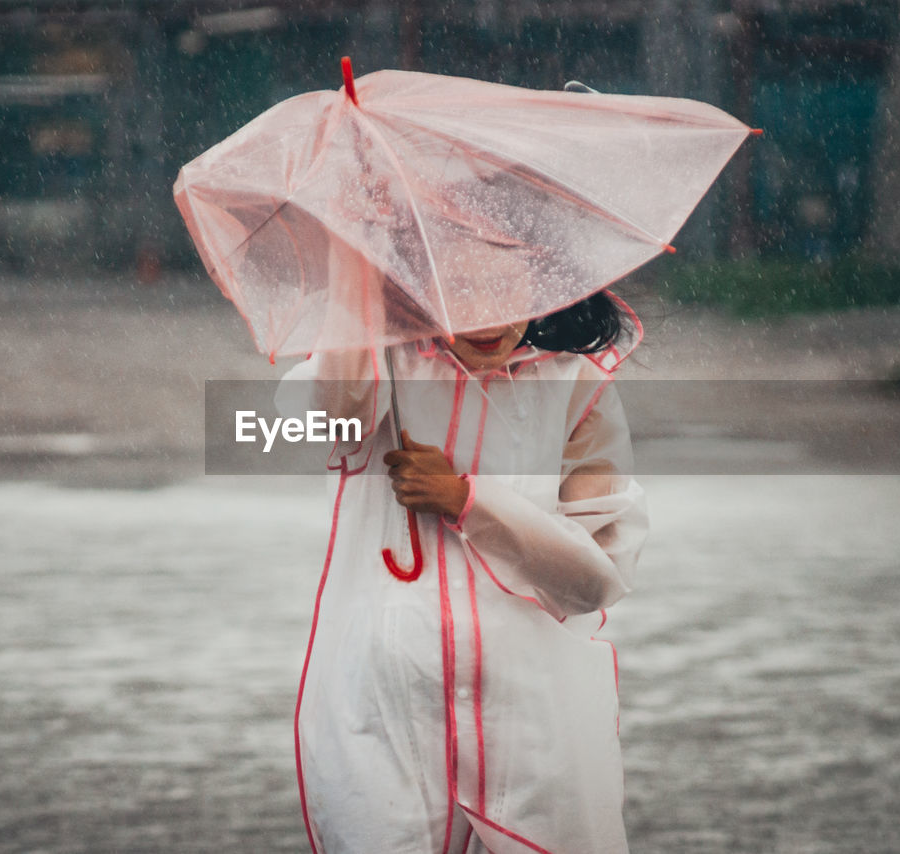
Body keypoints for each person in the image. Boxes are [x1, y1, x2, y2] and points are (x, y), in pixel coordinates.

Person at [274, 247, 650, 854]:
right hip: (384, 711)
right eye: (461, 290)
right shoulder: (377, 364)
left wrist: (468, 501)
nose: (488, 319)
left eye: (508, 291)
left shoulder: (577, 387)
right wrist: (354, 258)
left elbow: (597, 576)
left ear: (543, 281)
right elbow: (315, 421)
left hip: (533, 717)